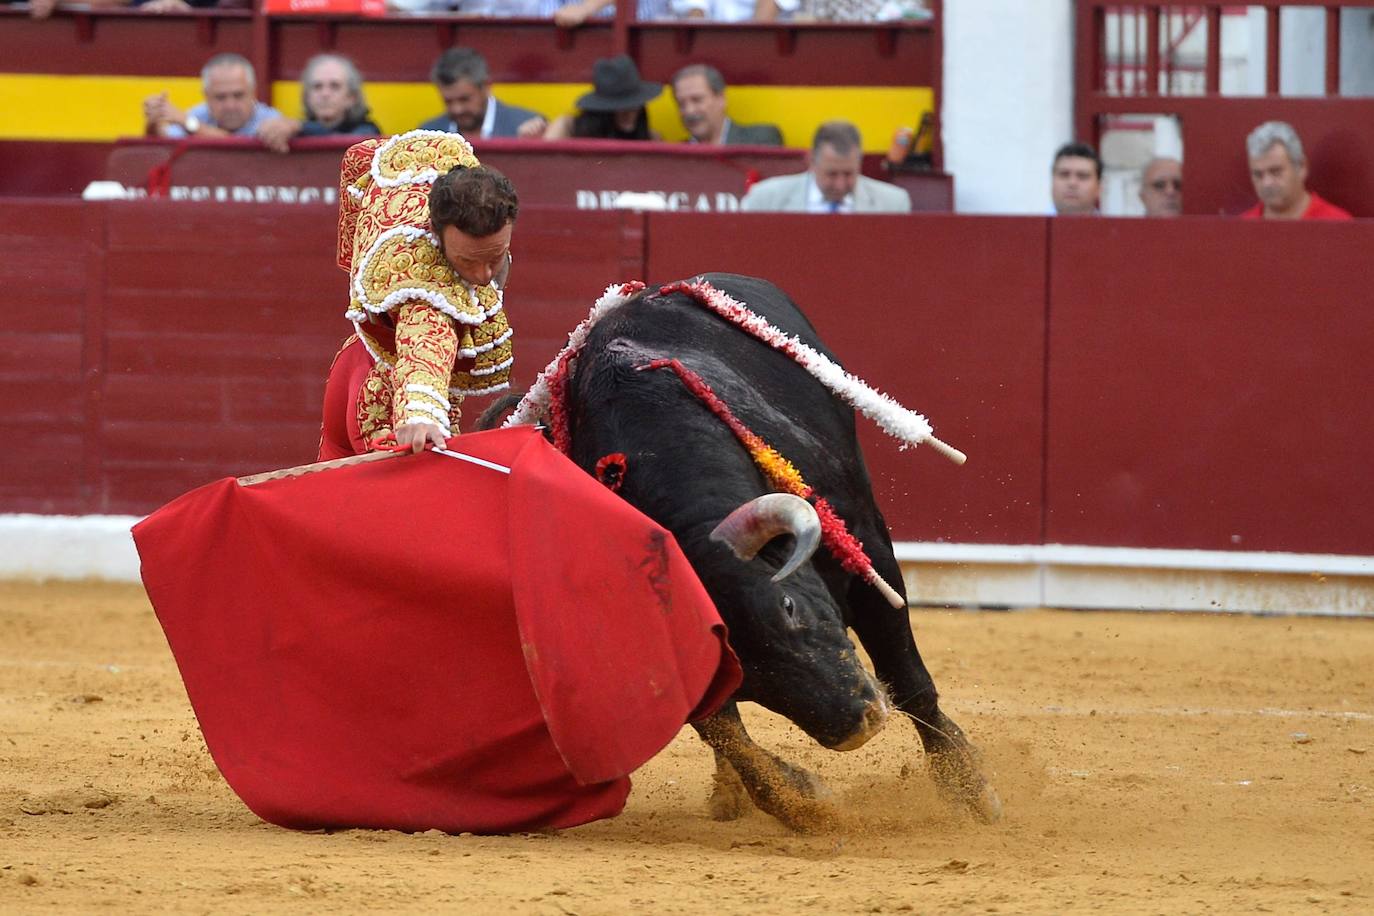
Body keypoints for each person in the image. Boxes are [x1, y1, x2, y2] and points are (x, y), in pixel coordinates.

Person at [319, 132, 519, 459]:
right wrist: (420, 412)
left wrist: (352, 259)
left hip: (356, 360)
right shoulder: (424, 274)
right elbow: (425, 337)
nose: (483, 274)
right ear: (435, 233)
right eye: (468, 260)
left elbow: (360, 157)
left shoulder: (437, 167)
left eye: (495, 257)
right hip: (386, 400)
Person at [740, 121, 911, 213]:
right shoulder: (765, 199)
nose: (840, 184)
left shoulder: (893, 203)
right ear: (811, 161)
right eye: (832, 174)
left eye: (849, 174)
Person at [255, 54, 381, 154]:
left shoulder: (368, 131)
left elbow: (346, 143)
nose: (325, 94)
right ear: (307, 97)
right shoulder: (293, 133)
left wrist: (299, 127)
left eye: (335, 86)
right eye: (317, 86)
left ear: (351, 97)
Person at [142, 54, 283, 142]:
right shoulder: (197, 114)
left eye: (238, 95)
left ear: (254, 93)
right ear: (206, 97)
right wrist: (154, 122)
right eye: (220, 97)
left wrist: (189, 124)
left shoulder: (270, 119)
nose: (230, 105)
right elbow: (164, 142)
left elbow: (238, 148)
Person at [418, 48, 547, 139]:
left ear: (487, 86)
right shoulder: (427, 136)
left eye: (464, 99)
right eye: (448, 101)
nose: (457, 109)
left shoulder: (529, 127)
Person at [1241, 121, 1353, 221]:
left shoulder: (1337, 223)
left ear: (1301, 167)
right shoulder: (1240, 229)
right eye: (1258, 174)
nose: (1267, 183)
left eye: (1275, 171)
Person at [543, 55, 663, 141]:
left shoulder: (650, 138)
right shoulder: (568, 127)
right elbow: (547, 167)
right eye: (622, 107)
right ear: (602, 111)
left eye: (634, 106)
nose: (630, 114)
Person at [671, 64, 782, 146]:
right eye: (681, 104)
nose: (689, 111)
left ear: (721, 99)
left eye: (697, 100)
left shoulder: (760, 139)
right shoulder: (674, 155)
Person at [1050, 141, 1101, 216]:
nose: (1072, 183)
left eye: (1082, 176)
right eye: (1064, 175)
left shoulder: (1113, 227)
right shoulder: (1031, 226)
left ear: (1099, 187)